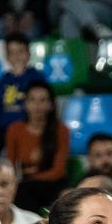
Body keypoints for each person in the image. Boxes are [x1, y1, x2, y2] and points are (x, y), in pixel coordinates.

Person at [6, 80, 70, 212]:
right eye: (32, 100)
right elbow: (10, 165)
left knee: (25, 190)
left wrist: (29, 178)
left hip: (53, 184)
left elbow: (58, 171)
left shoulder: (61, 130)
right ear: (25, 104)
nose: (37, 106)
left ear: (51, 105)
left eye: (43, 100)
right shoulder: (14, 129)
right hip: (25, 185)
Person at [0, 33, 47, 145]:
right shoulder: (4, 80)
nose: (17, 57)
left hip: (28, 129)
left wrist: (20, 77)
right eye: (12, 53)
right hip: (3, 131)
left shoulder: (36, 77)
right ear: (7, 57)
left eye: (20, 52)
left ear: (28, 54)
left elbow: (43, 105)